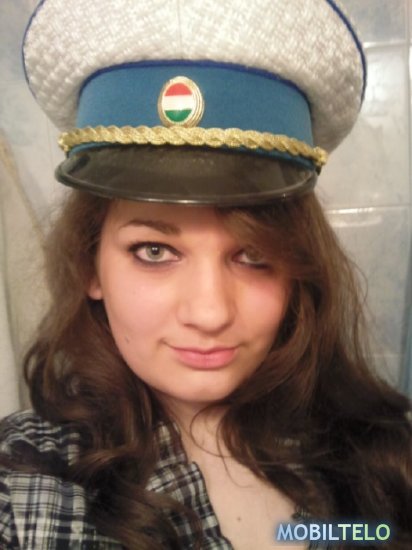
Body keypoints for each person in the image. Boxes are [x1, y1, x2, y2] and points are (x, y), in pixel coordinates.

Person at [0, 0, 411, 549]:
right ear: (90, 263)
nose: (211, 313)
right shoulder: (23, 488)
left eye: (253, 254)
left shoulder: (381, 457)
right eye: (153, 250)